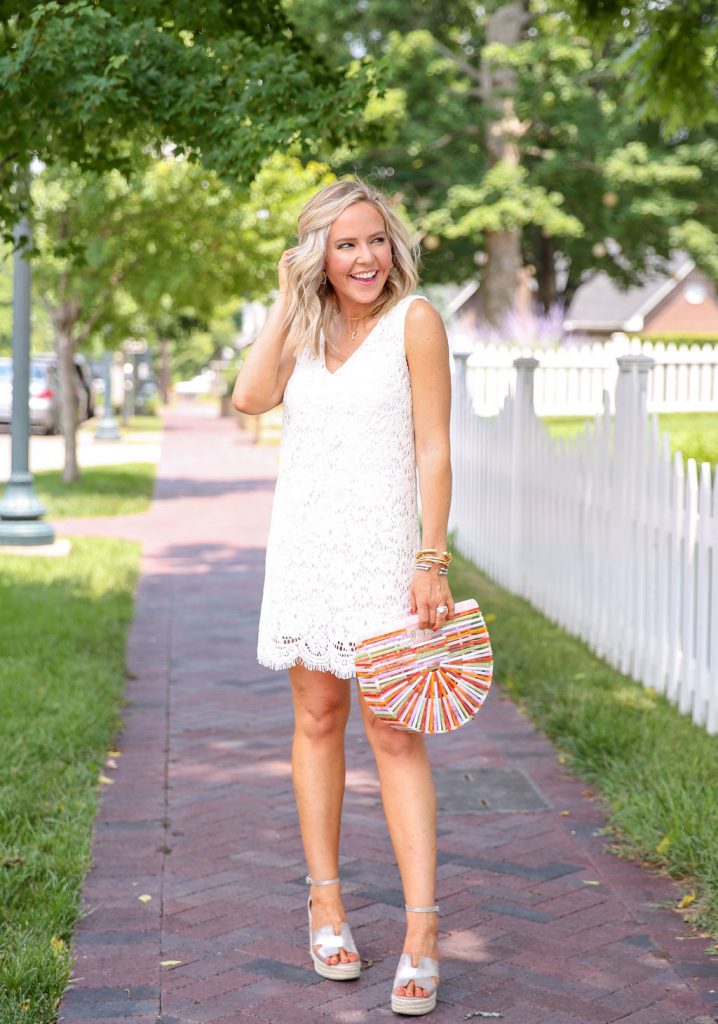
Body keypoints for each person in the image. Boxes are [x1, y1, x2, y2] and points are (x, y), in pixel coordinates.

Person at [232, 179, 454, 1016]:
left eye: (375, 240)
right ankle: (325, 905)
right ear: (317, 256)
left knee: (395, 733)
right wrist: (284, 297)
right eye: (345, 244)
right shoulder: (305, 323)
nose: (365, 258)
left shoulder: (416, 321)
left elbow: (434, 449)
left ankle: (423, 931)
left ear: (394, 244)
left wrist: (431, 559)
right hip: (307, 553)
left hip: (389, 558)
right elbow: (249, 397)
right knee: (318, 719)